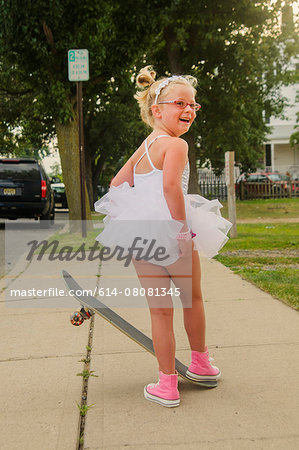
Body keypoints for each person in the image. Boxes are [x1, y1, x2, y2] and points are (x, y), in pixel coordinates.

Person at [94, 66, 231, 408]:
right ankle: (200, 363)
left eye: (193, 105)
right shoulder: (176, 144)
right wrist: (182, 229)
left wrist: (139, 212)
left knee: (160, 312)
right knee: (192, 300)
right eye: (180, 104)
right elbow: (171, 187)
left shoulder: (144, 147)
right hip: (173, 234)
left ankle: (167, 384)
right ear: (157, 110)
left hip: (143, 238)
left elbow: (116, 184)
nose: (188, 110)